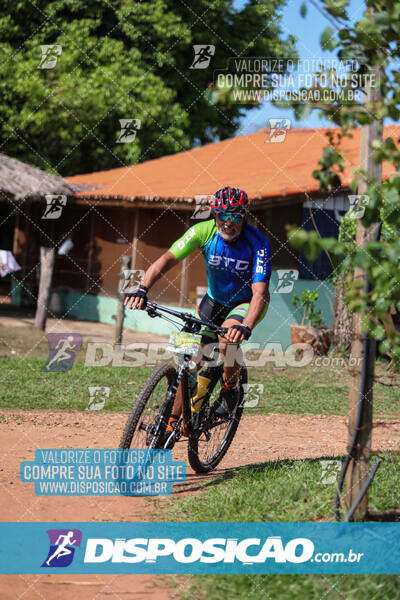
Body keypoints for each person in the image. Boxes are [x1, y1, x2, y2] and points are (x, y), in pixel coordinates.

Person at [125, 186, 271, 436]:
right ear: (214, 215)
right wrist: (142, 288)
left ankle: (230, 390)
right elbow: (166, 259)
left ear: (244, 217)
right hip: (213, 300)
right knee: (187, 359)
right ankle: (171, 422)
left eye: (235, 216)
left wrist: (245, 324)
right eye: (222, 215)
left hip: (246, 303)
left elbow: (259, 292)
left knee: (227, 337)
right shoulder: (201, 232)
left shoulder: (257, 244)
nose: (228, 222)